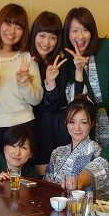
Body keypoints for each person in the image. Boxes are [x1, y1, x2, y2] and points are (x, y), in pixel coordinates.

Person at [0, 3, 42, 158]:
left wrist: (24, 84)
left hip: (25, 125)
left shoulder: (27, 57)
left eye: (18, 27)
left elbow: (36, 99)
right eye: (8, 23)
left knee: (25, 174)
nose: (12, 31)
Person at [63, 7, 109, 147]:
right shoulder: (67, 62)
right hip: (88, 126)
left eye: (85, 30)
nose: (80, 36)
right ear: (67, 33)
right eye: (74, 31)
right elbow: (76, 101)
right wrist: (79, 70)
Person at [29, 11, 70, 174]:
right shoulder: (24, 60)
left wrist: (50, 82)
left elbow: (57, 105)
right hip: (27, 124)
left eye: (52, 37)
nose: (46, 43)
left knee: (53, 175)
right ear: (34, 35)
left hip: (52, 127)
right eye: (42, 35)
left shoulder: (60, 64)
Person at [44, 98, 101, 188]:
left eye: (83, 122)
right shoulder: (57, 152)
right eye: (72, 122)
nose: (77, 128)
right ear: (66, 122)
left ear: (92, 123)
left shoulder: (94, 149)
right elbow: (47, 184)